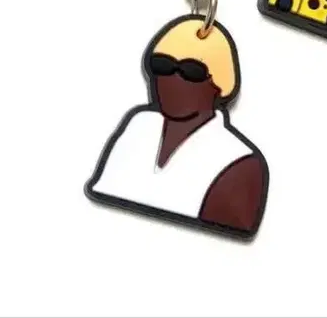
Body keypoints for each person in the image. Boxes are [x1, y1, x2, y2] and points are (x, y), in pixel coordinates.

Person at [87, 16, 268, 239]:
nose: (172, 80)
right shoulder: (139, 125)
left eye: (191, 71)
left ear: (219, 84)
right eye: (161, 65)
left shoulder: (239, 162)